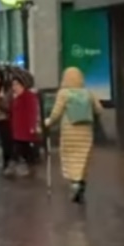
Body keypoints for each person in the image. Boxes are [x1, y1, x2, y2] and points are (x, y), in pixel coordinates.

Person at [46, 67, 102, 203]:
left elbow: (56, 113)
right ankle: (81, 182)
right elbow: (99, 109)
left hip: (69, 131)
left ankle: (75, 184)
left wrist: (48, 122)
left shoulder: (64, 93)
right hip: (86, 132)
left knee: (70, 158)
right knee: (83, 159)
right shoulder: (88, 93)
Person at [9, 77, 42, 177]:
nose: (14, 87)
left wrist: (32, 126)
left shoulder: (29, 96)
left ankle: (13, 167)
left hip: (26, 129)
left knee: (20, 149)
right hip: (18, 129)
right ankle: (30, 166)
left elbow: (33, 112)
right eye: (13, 85)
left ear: (22, 85)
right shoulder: (16, 97)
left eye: (16, 84)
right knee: (24, 150)